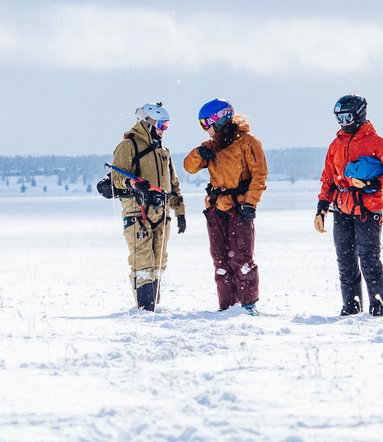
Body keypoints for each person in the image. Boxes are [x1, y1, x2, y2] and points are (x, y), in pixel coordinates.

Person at [315, 94, 383, 316]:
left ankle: (379, 308)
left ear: (360, 114)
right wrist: (322, 208)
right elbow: (328, 178)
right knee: (345, 261)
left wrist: (373, 183)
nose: (343, 122)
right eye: (339, 118)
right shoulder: (336, 145)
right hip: (341, 209)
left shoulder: (377, 143)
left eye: (347, 117)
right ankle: (351, 306)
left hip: (368, 209)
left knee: (369, 260)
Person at [184, 99, 267, 315]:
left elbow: (259, 174)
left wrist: (251, 203)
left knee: (242, 259)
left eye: (205, 124)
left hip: (240, 209)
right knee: (220, 260)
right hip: (216, 210)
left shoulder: (248, 142)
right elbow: (189, 167)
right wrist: (198, 154)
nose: (205, 130)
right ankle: (227, 307)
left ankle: (248, 306)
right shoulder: (210, 146)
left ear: (218, 120)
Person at [111, 102, 186, 311]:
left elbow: (173, 185)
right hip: (138, 210)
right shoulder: (128, 146)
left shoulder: (164, 152)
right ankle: (145, 309)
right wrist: (133, 183)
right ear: (147, 122)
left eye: (167, 125)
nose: (164, 130)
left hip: (162, 213)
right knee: (143, 259)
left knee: (160, 260)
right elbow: (117, 177)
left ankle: (154, 306)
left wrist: (180, 212)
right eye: (161, 124)